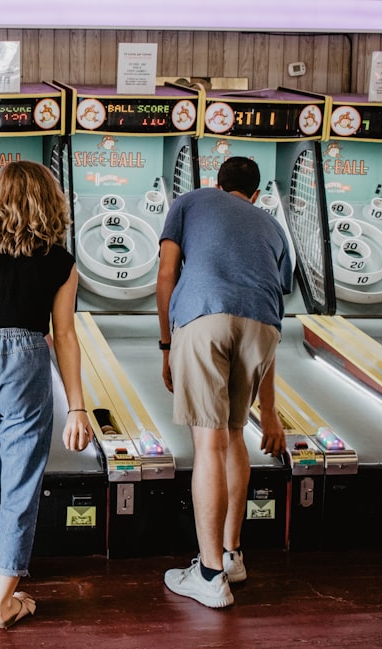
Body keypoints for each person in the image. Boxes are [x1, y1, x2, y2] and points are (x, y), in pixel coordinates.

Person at [0, 160, 93, 629]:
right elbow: (64, 335)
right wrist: (77, 406)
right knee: (21, 479)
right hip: (27, 356)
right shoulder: (61, 260)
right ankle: (5, 596)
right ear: (52, 200)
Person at [156, 156, 293, 609]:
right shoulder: (273, 228)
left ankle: (211, 574)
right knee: (234, 436)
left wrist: (165, 343)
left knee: (208, 443)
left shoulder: (191, 201)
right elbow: (270, 307)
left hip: (204, 313)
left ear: (216, 183)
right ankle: (232, 555)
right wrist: (269, 412)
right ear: (255, 194)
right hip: (263, 331)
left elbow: (166, 274)